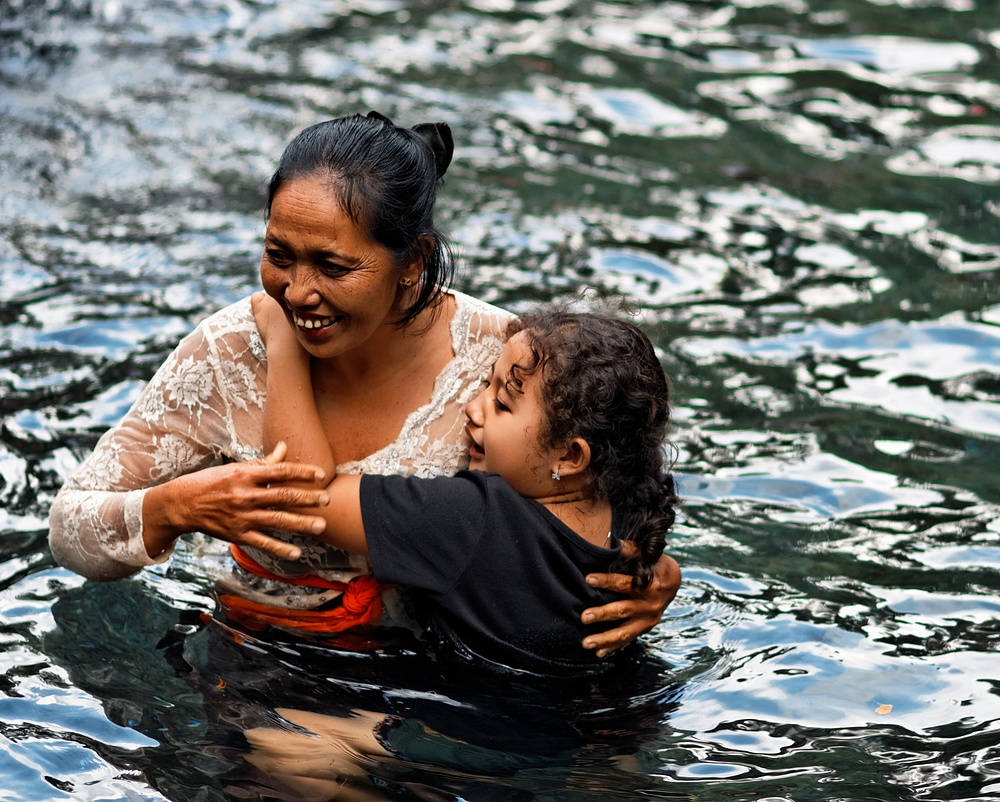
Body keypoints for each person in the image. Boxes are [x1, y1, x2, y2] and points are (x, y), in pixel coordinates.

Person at [47, 111, 680, 655]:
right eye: (278, 254)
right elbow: (70, 530)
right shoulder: (229, 352)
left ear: (414, 264)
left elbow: (595, 484)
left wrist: (648, 574)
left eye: (332, 265)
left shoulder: (497, 358)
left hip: (437, 683)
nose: (297, 293)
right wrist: (174, 509)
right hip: (264, 653)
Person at [257, 303, 678, 675]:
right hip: (616, 714)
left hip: (478, 739)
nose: (473, 408)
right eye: (485, 384)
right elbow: (660, 566)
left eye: (501, 404)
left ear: (569, 458)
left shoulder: (470, 518)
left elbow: (304, 496)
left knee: (276, 736)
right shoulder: (629, 515)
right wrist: (668, 574)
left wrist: (285, 349)